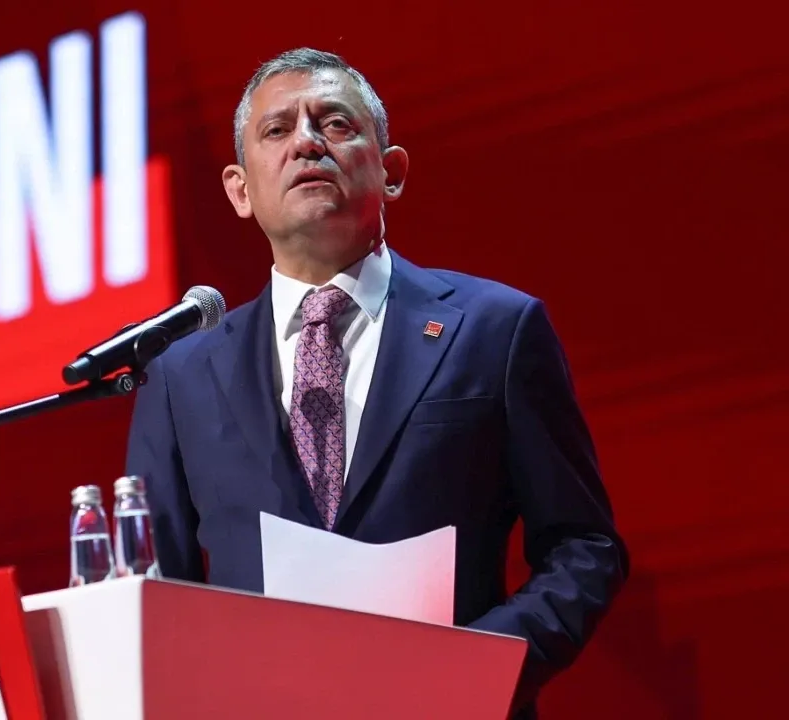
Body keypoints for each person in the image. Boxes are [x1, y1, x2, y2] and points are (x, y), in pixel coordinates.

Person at [124, 48, 628, 718]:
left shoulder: (495, 330)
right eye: (277, 130)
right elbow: (157, 592)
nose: (306, 141)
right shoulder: (181, 375)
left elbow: (584, 547)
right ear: (239, 190)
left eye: (335, 123)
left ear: (391, 172)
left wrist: (472, 670)